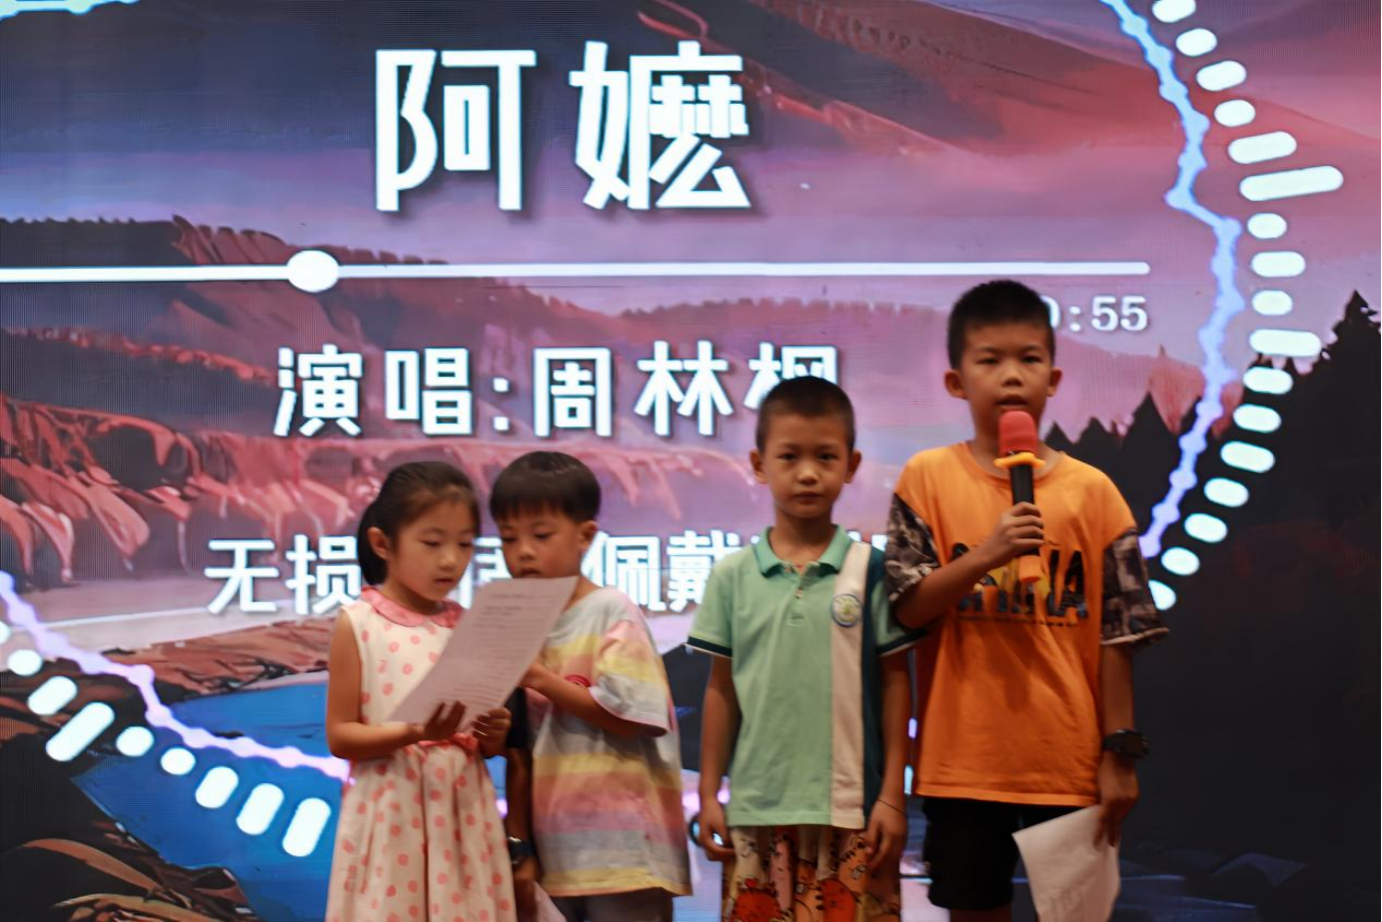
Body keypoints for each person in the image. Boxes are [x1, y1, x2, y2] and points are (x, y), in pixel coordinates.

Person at [886, 280, 1169, 920]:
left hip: (1068, 763)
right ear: (957, 382)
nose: (1011, 376)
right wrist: (985, 556)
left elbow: (1120, 633)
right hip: (962, 765)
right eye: (990, 360)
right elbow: (907, 608)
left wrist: (1119, 752)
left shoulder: (1094, 492)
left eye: (1029, 359)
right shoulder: (927, 477)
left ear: (1054, 378)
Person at [689, 376, 924, 921]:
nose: (808, 473)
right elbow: (721, 691)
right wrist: (708, 793)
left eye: (825, 456)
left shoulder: (870, 569)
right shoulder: (731, 576)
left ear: (852, 464)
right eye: (789, 456)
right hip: (755, 811)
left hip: (853, 813)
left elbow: (896, 684)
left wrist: (893, 795)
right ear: (759, 464)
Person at [495, 451, 691, 922]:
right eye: (507, 538)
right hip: (557, 855)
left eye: (541, 535)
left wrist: (540, 678)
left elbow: (630, 714)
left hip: (626, 854)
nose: (523, 551)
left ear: (585, 536)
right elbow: (520, 752)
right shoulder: (517, 625)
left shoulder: (611, 609)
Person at [324, 461, 515, 922]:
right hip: (393, 812)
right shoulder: (359, 623)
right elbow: (341, 735)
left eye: (464, 544)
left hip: (463, 811)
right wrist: (412, 732)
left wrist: (494, 734)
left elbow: (483, 742)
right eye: (432, 543)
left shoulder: (470, 625)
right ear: (383, 544)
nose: (451, 560)